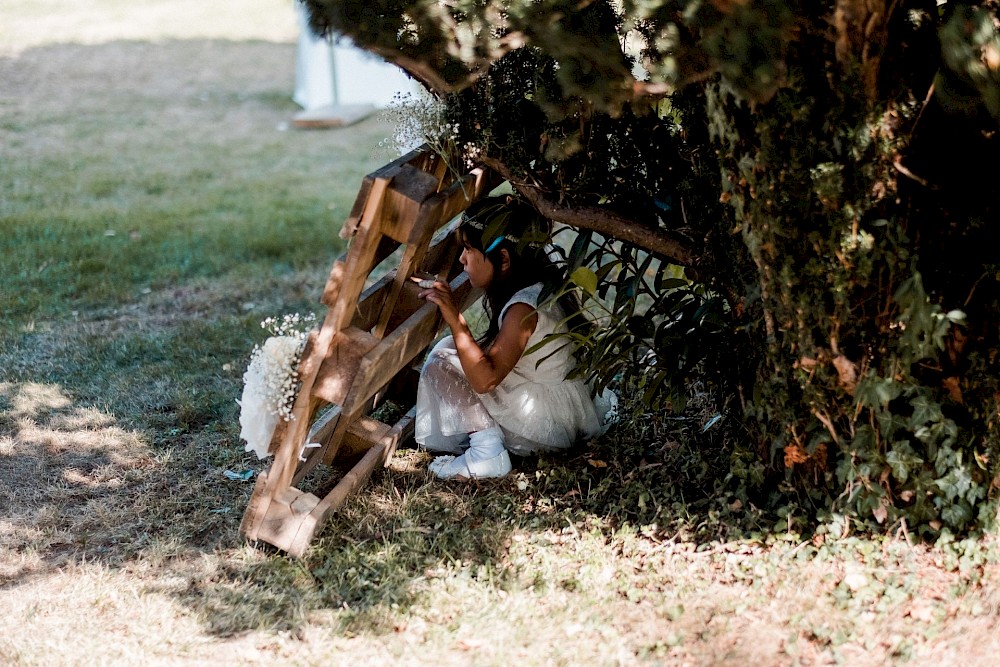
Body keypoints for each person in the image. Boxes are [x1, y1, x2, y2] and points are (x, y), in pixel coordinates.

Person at [414, 195, 616, 480]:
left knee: (442, 358)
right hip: (568, 414)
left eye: (469, 249)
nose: (461, 258)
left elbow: (485, 380)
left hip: (539, 429)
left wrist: (454, 318)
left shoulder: (522, 308)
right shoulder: (543, 285)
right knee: (459, 351)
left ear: (504, 259)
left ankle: (487, 453)